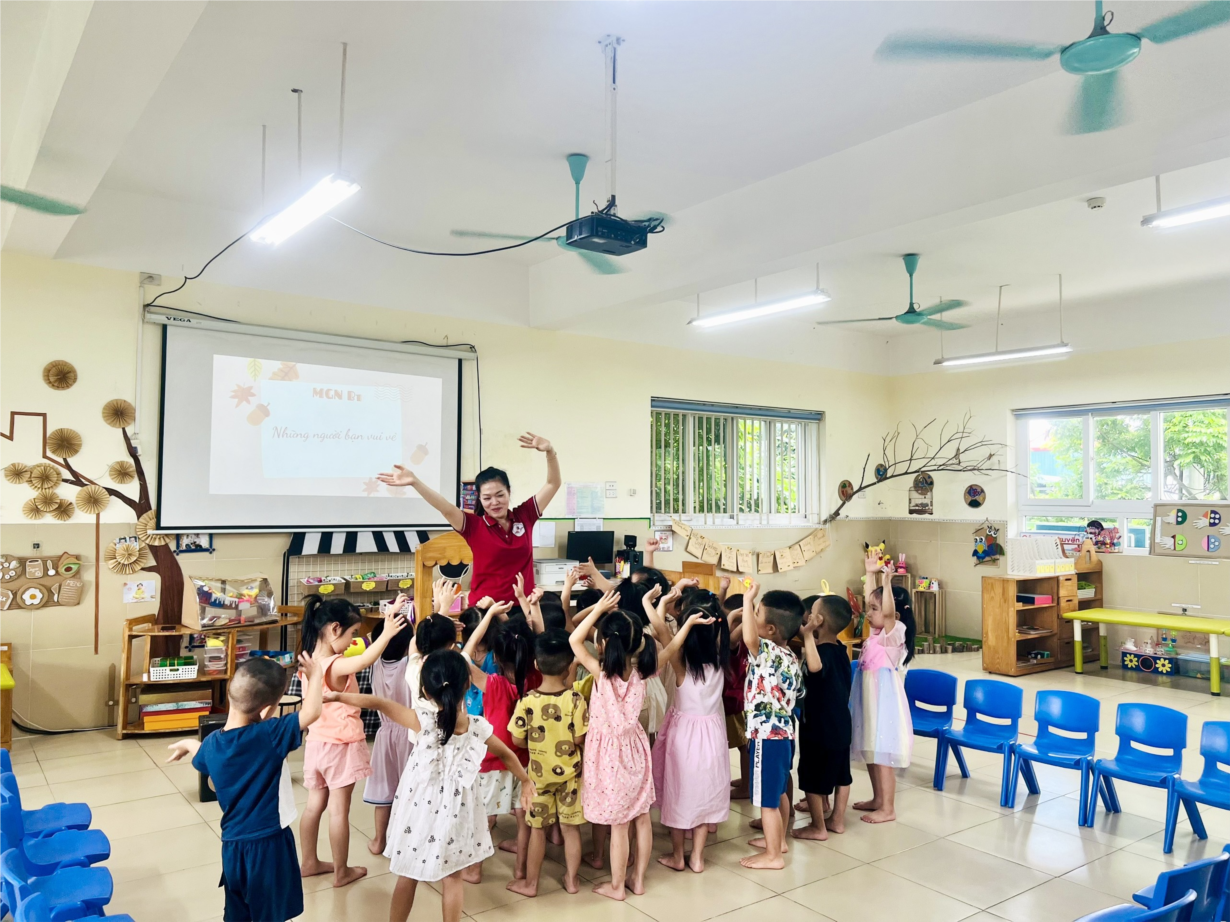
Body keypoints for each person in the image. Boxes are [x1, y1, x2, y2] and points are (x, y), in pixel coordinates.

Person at [326, 650, 534, 922]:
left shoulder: (422, 721)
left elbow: (378, 702)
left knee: (408, 875)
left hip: (418, 814)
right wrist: (526, 781)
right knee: (453, 877)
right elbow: (506, 754)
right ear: (467, 684)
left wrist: (337, 696)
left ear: (425, 690)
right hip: (457, 815)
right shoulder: (477, 727)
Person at [166, 654, 325, 922]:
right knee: (270, 913)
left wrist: (188, 744)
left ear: (230, 692)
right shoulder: (269, 735)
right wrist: (316, 675)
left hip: (232, 847)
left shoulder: (212, 744)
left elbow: (202, 758)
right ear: (266, 710)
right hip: (268, 845)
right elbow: (312, 713)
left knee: (238, 913)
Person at [297, 595, 408, 888]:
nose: (352, 642)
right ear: (335, 628)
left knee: (313, 806)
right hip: (341, 747)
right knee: (338, 811)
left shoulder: (309, 661)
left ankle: (308, 862)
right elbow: (366, 659)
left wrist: (390, 616)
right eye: (352, 634)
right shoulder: (335, 665)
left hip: (316, 744)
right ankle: (341, 872)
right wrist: (387, 633)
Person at [378, 433, 561, 604]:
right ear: (479, 499)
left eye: (500, 495)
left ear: (509, 492)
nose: (494, 502)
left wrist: (550, 451)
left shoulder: (524, 516)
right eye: (487, 498)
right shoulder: (474, 526)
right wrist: (415, 482)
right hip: (485, 609)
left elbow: (553, 484)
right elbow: (445, 508)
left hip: (524, 607)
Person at [568, 590, 657, 901]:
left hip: (607, 756)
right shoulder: (642, 672)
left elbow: (574, 640)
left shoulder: (601, 674)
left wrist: (597, 609)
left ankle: (617, 886)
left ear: (603, 643)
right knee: (641, 817)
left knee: (619, 825)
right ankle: (638, 880)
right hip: (636, 751)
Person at [651, 593, 730, 873]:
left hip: (685, 738)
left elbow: (661, 630)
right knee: (704, 794)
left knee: (679, 794)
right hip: (713, 737)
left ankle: (677, 856)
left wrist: (656, 603)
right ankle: (697, 857)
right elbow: (725, 627)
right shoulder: (720, 659)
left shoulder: (681, 665)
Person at [506, 629, 589, 896]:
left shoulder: (527, 701)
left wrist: (535, 744)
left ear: (536, 664)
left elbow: (516, 739)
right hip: (571, 776)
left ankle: (531, 884)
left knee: (537, 831)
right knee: (570, 829)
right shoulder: (576, 699)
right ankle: (572, 880)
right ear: (568, 667)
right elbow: (579, 738)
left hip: (538, 778)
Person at [461, 600, 532, 883]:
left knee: (484, 816)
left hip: (493, 760)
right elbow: (531, 634)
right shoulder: (535, 678)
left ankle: (475, 869)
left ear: (498, 659)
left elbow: (463, 659)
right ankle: (521, 869)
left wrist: (488, 615)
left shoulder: (495, 684)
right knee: (523, 816)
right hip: (524, 760)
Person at [739, 581, 804, 870]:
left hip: (766, 736)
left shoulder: (765, 651)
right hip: (785, 733)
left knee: (767, 801)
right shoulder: (790, 656)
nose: (751, 618)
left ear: (770, 630)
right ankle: (779, 841)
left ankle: (773, 855)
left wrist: (747, 599)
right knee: (778, 791)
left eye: (756, 614)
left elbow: (748, 638)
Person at [851, 554, 915, 823]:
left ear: (894, 615)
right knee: (871, 750)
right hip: (869, 700)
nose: (869, 613)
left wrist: (887, 582)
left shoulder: (893, 635)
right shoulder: (876, 634)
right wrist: (870, 573)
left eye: (874, 609)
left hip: (884, 703)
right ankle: (878, 799)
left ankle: (888, 808)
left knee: (883, 755)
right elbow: (875, 606)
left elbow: (886, 612)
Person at [794, 594, 854, 840]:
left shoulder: (820, 654)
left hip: (819, 727)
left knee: (811, 776)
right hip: (841, 724)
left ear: (818, 620)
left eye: (812, 611)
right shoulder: (840, 649)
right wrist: (806, 634)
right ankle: (837, 820)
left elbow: (815, 667)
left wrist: (808, 634)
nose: (808, 615)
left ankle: (818, 827)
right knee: (841, 774)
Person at [364, 605, 417, 856]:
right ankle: (407, 843)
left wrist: (389, 618)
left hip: (384, 736)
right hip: (410, 735)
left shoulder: (374, 663)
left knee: (384, 792)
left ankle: (379, 840)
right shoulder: (410, 665)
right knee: (411, 790)